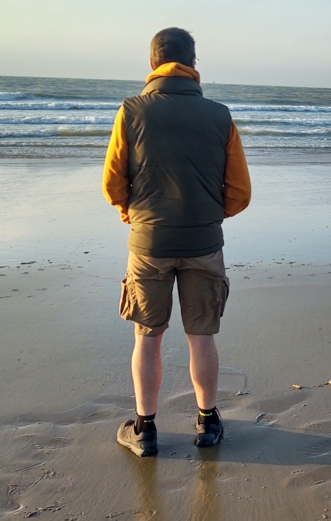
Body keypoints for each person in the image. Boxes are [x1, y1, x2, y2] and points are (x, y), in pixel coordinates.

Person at [102, 27, 251, 457]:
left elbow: (113, 182)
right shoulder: (220, 115)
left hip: (149, 241)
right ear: (193, 64)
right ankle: (207, 423)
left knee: (148, 336)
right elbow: (239, 190)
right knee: (201, 335)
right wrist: (209, 216)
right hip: (204, 240)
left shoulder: (132, 111)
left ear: (152, 64)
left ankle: (144, 429)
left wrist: (130, 213)